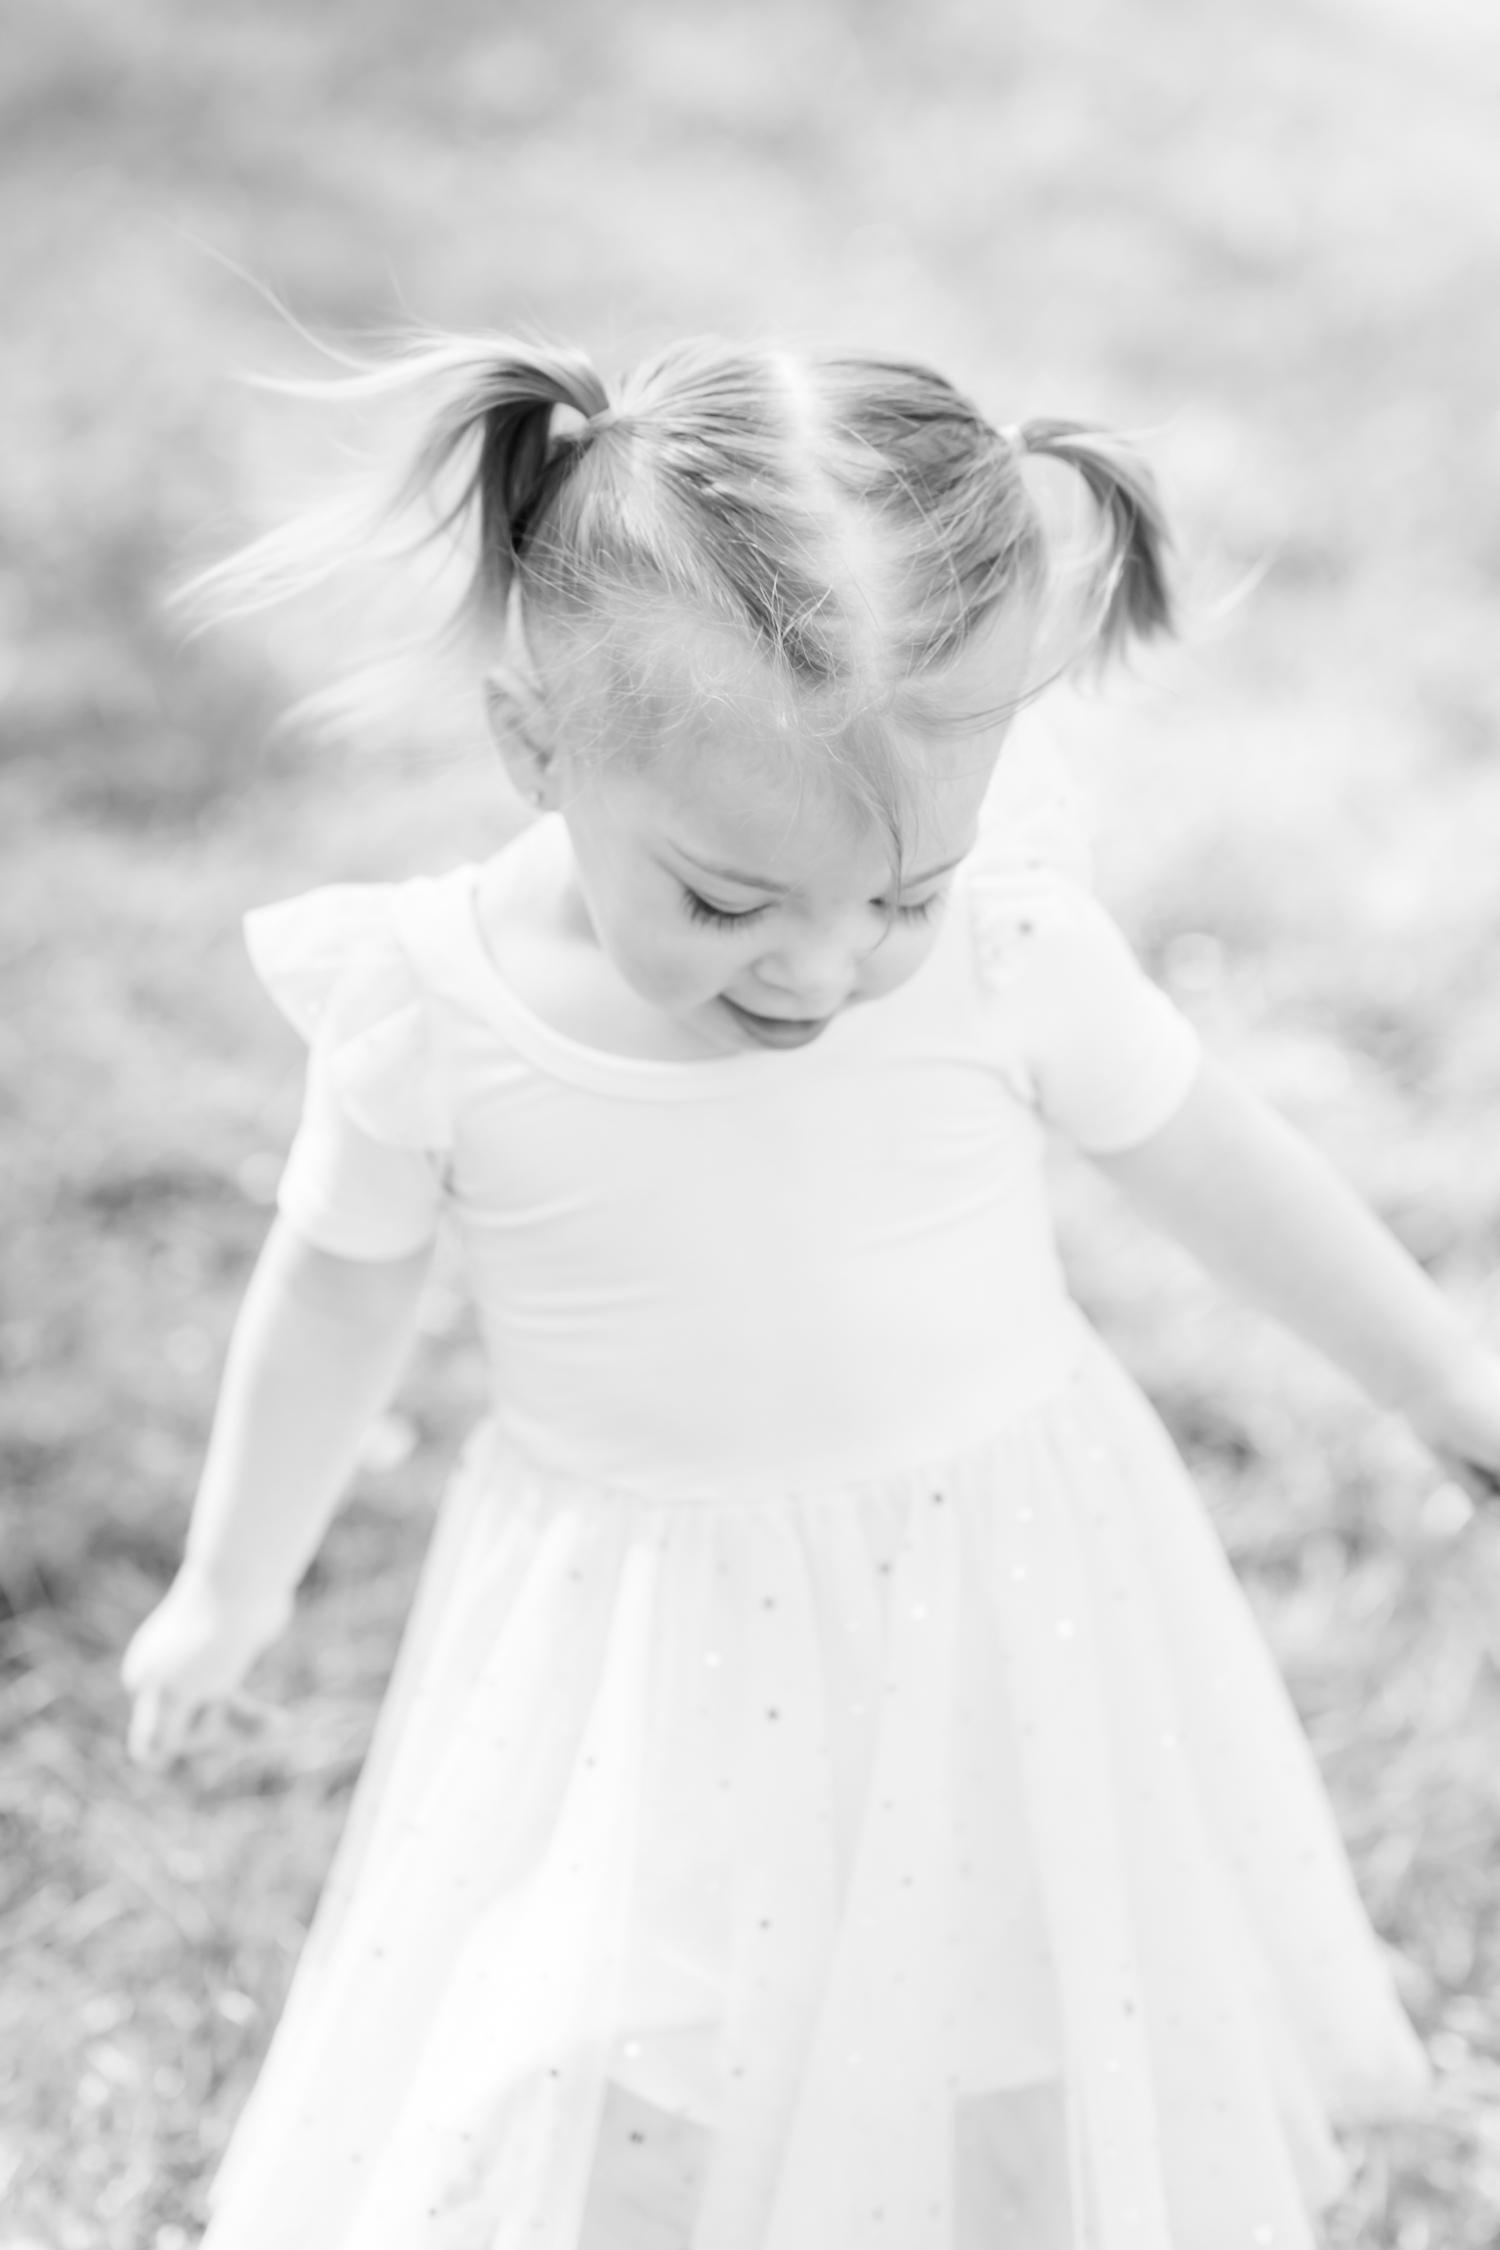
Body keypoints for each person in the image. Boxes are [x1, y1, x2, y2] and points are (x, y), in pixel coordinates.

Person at [122, 336, 1500, 2250]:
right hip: (636, 1637)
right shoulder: (433, 1015)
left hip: (1003, 1590)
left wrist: (1444, 1379)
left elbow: (1211, 1156)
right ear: (539, 744)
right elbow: (334, 1297)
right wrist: (228, 1583)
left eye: (895, 895)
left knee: (1021, 2028)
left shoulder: (1008, 947)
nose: (826, 968)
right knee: (610, 2056)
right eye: (726, 899)